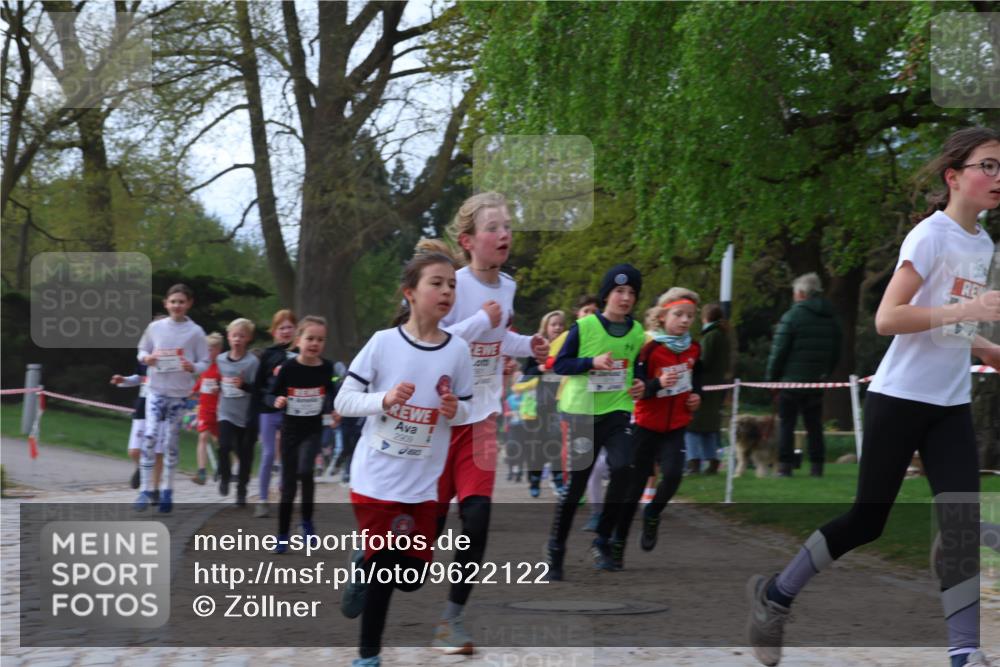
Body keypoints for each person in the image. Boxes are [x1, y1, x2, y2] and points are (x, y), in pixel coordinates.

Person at [746, 127, 1000, 667]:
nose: (998, 177)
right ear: (954, 177)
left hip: (949, 404)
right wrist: (968, 314)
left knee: (958, 522)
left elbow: (950, 326)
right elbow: (888, 318)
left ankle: (963, 653)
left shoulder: (982, 243)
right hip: (900, 398)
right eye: (989, 165)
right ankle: (776, 596)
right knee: (866, 521)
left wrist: (990, 349)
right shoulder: (929, 237)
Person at [419, 192, 548, 654]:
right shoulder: (450, 285)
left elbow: (497, 339)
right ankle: (372, 560)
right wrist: (477, 321)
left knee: (477, 519)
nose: (505, 234)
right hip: (439, 420)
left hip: (483, 418)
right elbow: (433, 339)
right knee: (421, 539)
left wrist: (526, 343)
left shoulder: (508, 287)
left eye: (508, 225)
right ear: (469, 240)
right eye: (494, 227)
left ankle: (450, 622)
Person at [335, 249, 474, 667]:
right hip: (376, 477)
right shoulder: (383, 343)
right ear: (409, 293)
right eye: (436, 283)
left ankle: (361, 560)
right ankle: (368, 656)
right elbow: (344, 398)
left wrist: (456, 410)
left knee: (412, 578)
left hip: (423, 481)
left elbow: (468, 406)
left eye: (452, 284)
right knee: (385, 569)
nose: (446, 290)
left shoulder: (458, 351)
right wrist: (384, 399)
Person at [546, 264, 646, 579]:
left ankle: (603, 538)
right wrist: (591, 363)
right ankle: (556, 549)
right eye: (619, 291)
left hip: (617, 410)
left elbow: (636, 368)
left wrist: (641, 383)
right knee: (576, 485)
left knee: (624, 468)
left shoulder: (637, 331)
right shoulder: (585, 327)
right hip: (583, 413)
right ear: (607, 295)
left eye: (631, 292)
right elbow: (559, 364)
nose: (625, 297)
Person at [615, 287, 703, 566]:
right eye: (679, 314)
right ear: (663, 316)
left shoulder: (693, 347)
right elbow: (637, 388)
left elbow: (695, 379)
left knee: (675, 475)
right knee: (635, 486)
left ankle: (653, 513)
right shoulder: (649, 347)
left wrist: (695, 397)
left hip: (675, 426)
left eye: (690, 316)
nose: (685, 321)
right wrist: (656, 385)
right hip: (647, 424)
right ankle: (617, 543)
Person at [135, 283, 210, 513]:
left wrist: (192, 366)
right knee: (149, 436)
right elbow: (141, 351)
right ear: (166, 303)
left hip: (179, 394)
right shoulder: (155, 328)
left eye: (182, 301)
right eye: (173, 301)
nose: (177, 305)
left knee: (170, 441)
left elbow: (204, 362)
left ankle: (167, 490)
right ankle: (145, 490)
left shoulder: (196, 332)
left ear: (189, 304)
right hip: (156, 390)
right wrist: (147, 358)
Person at [266, 316, 338, 550]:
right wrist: (276, 399)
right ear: (298, 340)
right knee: (288, 484)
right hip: (290, 431)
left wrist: (336, 409)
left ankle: (307, 522)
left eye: (320, 339)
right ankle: (282, 534)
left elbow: (333, 393)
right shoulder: (288, 367)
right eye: (310, 338)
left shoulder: (327, 368)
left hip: (312, 430)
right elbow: (270, 393)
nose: (315, 343)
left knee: (305, 471)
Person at [765, 272, 842, 477]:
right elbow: (837, 350)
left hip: (790, 381)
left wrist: (771, 379)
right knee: (814, 425)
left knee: (787, 424)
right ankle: (817, 466)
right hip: (816, 380)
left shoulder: (792, 316)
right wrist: (825, 373)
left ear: (800, 293)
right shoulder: (832, 317)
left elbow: (779, 351)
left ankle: (785, 466)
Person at [512, 310, 566, 498]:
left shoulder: (568, 346)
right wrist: (541, 368)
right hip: (535, 405)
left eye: (561, 324)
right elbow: (525, 375)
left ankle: (558, 479)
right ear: (546, 327)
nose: (558, 328)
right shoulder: (536, 348)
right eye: (554, 324)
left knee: (556, 441)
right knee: (537, 444)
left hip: (559, 402)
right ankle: (534, 479)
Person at [252, 310, 297, 517]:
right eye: (282, 328)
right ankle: (262, 499)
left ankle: (284, 490)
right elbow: (259, 387)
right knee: (269, 454)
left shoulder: (301, 354)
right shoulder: (268, 355)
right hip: (269, 411)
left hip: (294, 412)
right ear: (274, 332)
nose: (286, 331)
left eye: (290, 327)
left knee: (289, 454)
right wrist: (269, 401)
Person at [216, 318, 260, 507]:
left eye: (241, 336)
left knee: (245, 454)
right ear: (228, 336)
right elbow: (219, 379)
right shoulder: (220, 359)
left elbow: (258, 389)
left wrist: (244, 386)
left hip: (246, 415)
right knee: (224, 446)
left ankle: (242, 490)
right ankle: (225, 476)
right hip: (226, 411)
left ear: (248, 338)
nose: (237, 339)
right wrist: (218, 385)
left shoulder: (252, 362)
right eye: (234, 335)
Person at [685, 303, 731, 475]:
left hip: (704, 385)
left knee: (692, 426)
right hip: (716, 386)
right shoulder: (724, 336)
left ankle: (693, 461)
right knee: (710, 427)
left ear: (706, 318)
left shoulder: (710, 336)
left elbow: (703, 361)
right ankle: (712, 460)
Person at [110, 363, 160, 491]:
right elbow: (139, 378)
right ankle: (141, 467)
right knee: (133, 451)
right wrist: (124, 380)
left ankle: (153, 488)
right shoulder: (144, 357)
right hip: (141, 408)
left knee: (155, 450)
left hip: (159, 409)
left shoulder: (167, 354)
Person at [192, 333, 223, 485]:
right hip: (204, 409)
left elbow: (226, 386)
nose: (207, 352)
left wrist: (220, 388)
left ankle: (222, 467)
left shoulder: (222, 367)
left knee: (219, 441)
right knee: (203, 437)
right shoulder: (204, 367)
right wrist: (192, 391)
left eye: (211, 349)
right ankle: (202, 472)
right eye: (206, 349)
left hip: (218, 410)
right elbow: (200, 383)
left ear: (218, 350)